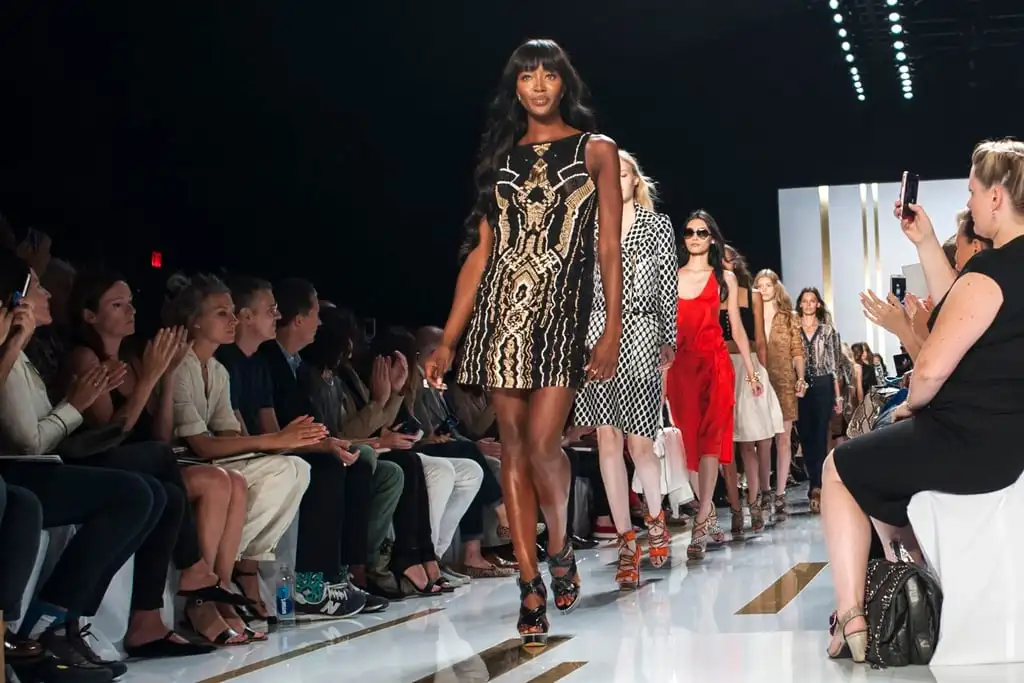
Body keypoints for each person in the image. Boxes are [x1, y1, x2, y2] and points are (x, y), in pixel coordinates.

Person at [424, 38, 623, 646]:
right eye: (527, 76)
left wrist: (611, 326)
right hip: (501, 316)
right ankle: (530, 585)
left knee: (543, 446)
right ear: (515, 87)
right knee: (511, 448)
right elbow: (481, 253)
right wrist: (448, 340)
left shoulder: (596, 152)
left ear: (566, 84)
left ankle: (558, 542)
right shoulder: (501, 159)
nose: (538, 85)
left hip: (563, 315)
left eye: (549, 76)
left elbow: (607, 247)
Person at [823, 139, 1024, 663]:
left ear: (997, 197)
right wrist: (927, 242)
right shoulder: (995, 275)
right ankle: (907, 575)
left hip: (970, 445)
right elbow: (962, 305)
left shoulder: (992, 274)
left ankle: (853, 617)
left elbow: (932, 366)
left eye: (973, 192)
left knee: (839, 467)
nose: (973, 202)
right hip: (1008, 440)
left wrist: (914, 399)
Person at [65, 270, 258, 646]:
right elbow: (110, 435)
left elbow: (158, 434)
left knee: (199, 486)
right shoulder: (85, 357)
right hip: (97, 466)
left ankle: (194, 600)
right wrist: (152, 378)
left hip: (147, 467)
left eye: (130, 302)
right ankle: (197, 578)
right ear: (90, 316)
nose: (129, 310)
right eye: (116, 305)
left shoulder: (136, 359)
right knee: (201, 477)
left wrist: (163, 377)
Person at [164, 274, 324, 623]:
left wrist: (283, 442)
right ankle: (220, 584)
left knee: (297, 468)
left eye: (232, 312)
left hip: (213, 462)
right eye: (222, 313)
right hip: (182, 465)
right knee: (274, 470)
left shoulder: (218, 370)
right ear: (195, 321)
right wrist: (275, 441)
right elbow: (202, 444)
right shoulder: (182, 367)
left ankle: (225, 579)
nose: (232, 320)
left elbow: (228, 432)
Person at [572, 149, 676, 589]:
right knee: (607, 440)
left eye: (625, 172)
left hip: (641, 327)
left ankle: (655, 519)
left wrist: (667, 336)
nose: (616, 179)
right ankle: (626, 541)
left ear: (635, 180)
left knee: (640, 442)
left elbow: (667, 280)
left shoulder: (657, 225)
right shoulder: (589, 228)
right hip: (596, 330)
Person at [665, 210, 763, 561]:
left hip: (716, 363)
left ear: (712, 238)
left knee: (710, 440)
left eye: (701, 232)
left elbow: (736, 328)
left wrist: (751, 371)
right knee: (688, 444)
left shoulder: (724, 278)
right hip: (681, 367)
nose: (694, 237)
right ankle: (705, 516)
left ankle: (700, 522)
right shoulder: (671, 277)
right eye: (689, 231)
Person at [720, 246, 784, 535]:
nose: (725, 261)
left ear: (737, 261)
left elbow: (759, 336)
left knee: (750, 440)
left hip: (748, 366)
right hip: (719, 366)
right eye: (719, 257)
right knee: (725, 447)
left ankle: (755, 502)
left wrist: (762, 372)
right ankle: (735, 510)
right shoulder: (709, 291)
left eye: (729, 256)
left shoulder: (752, 295)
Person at [752, 270, 805, 518]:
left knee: (783, 439)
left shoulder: (789, 317)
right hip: (758, 378)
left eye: (767, 285)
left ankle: (781, 493)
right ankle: (764, 492)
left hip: (784, 379)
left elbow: (797, 350)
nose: (763, 289)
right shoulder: (751, 315)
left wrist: (801, 377)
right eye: (759, 285)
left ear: (776, 287)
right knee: (762, 438)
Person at [795, 287, 843, 514]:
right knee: (805, 435)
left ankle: (818, 485)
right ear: (800, 304)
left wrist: (838, 395)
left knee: (821, 433)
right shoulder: (793, 330)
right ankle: (814, 480)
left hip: (824, 383)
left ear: (818, 304)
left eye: (812, 301)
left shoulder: (827, 331)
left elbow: (834, 365)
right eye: (804, 301)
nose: (808, 305)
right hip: (801, 386)